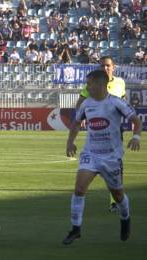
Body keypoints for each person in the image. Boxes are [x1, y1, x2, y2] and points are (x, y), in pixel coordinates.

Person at [63, 70, 142, 245]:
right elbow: (76, 123)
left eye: (89, 84)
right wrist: (70, 142)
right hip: (90, 153)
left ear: (100, 84)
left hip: (111, 157)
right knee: (79, 189)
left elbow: (136, 120)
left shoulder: (115, 102)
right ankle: (76, 229)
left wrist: (136, 136)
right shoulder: (86, 104)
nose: (86, 87)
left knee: (118, 195)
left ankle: (125, 218)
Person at [74, 56, 126, 213]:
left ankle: (114, 201)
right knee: (94, 164)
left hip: (115, 131)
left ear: (113, 67)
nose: (105, 68)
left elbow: (123, 99)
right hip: (97, 133)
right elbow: (81, 101)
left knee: (116, 167)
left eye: (108, 65)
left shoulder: (120, 83)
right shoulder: (92, 84)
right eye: (102, 66)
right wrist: (80, 116)